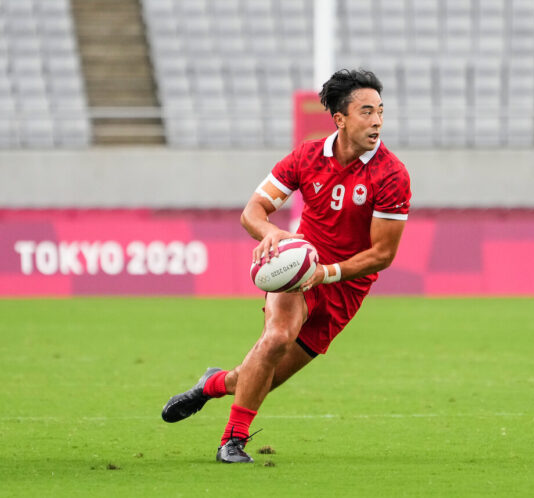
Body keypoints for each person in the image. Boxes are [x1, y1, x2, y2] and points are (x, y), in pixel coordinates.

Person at [161, 69, 411, 463]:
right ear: (340, 118)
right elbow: (253, 211)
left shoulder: (392, 175)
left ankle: (212, 384)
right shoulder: (307, 156)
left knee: (260, 378)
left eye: (381, 111)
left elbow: (382, 254)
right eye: (367, 111)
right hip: (297, 269)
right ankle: (233, 442)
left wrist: (326, 274)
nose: (378, 120)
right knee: (276, 338)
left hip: (346, 284)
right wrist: (270, 233)